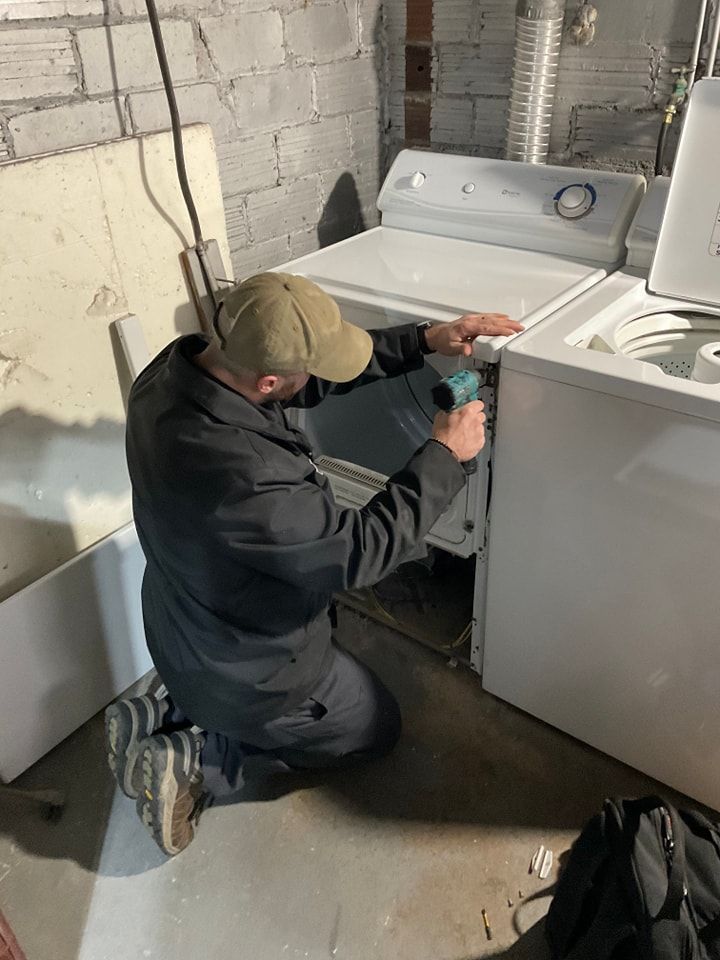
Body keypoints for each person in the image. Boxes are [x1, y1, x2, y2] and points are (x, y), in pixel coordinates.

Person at [105, 272, 523, 856]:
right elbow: (360, 551)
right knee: (378, 730)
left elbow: (304, 383)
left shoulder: (174, 373)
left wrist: (427, 338)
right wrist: (445, 456)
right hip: (255, 669)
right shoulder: (247, 478)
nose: (315, 379)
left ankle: (173, 706)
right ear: (270, 379)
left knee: (251, 679)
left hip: (182, 620)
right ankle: (203, 758)